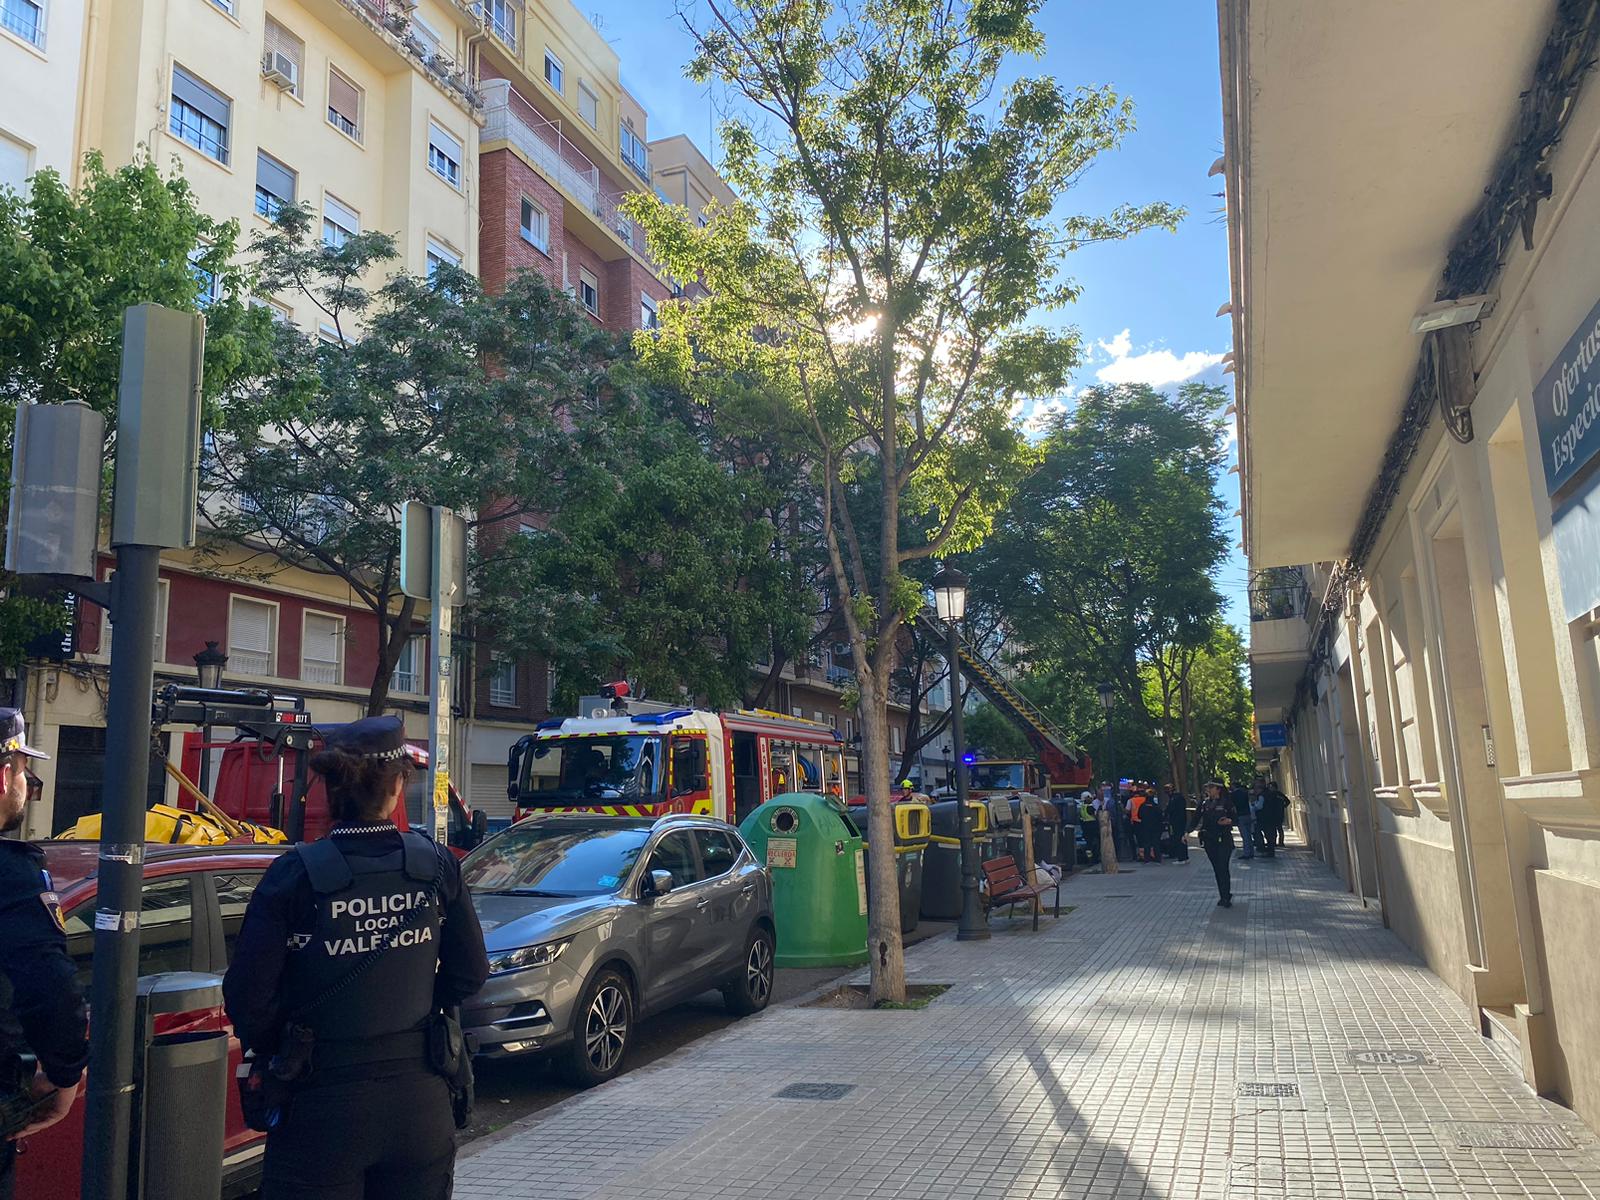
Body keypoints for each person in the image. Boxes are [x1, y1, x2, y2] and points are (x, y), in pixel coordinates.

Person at [224, 715, 490, 1200]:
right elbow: (471, 974)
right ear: (396, 786)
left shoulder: (293, 875)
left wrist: (293, 1038)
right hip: (419, 1101)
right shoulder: (435, 865)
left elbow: (247, 998)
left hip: (319, 1107)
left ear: (329, 788)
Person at [0, 710, 86, 1199]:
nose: (28, 789)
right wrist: (62, 1077)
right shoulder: (12, 879)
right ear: (3, 774)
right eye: (23, 774)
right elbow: (49, 990)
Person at [1194, 781, 1238, 907]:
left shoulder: (1227, 803)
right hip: (1209, 840)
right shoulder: (1204, 804)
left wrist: (1229, 821)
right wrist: (1186, 833)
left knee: (1223, 867)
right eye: (1208, 787)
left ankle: (1226, 896)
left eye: (1211, 787)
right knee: (1217, 869)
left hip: (1224, 839)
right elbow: (1196, 818)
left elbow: (1235, 818)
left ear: (1218, 789)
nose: (1209, 789)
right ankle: (1223, 894)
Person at [1129, 788, 1162, 863]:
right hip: (1155, 827)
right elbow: (1160, 816)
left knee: (1146, 843)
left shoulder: (1143, 806)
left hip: (1145, 827)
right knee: (1156, 843)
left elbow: (1139, 815)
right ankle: (1157, 858)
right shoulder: (1156, 806)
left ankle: (1147, 859)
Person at [1164, 786, 1189, 862]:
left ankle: (1181, 857)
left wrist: (1165, 814)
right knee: (1182, 838)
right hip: (1181, 820)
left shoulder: (1174, 799)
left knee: (1178, 838)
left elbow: (1169, 809)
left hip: (1176, 821)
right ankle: (1184, 856)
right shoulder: (1180, 797)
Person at [1231, 781, 1255, 860]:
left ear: (1234, 786)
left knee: (1244, 836)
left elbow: (1233, 806)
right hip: (1247, 815)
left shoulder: (1234, 794)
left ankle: (1247, 853)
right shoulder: (1245, 793)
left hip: (1240, 816)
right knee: (1248, 834)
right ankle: (1251, 852)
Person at [1077, 791, 1099, 865]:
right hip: (1092, 827)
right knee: (1094, 844)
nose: (1091, 799)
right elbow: (1096, 816)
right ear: (1086, 798)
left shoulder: (1082, 807)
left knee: (1088, 845)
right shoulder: (1090, 807)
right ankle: (1094, 859)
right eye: (1089, 797)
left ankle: (1089, 859)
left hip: (1085, 828)